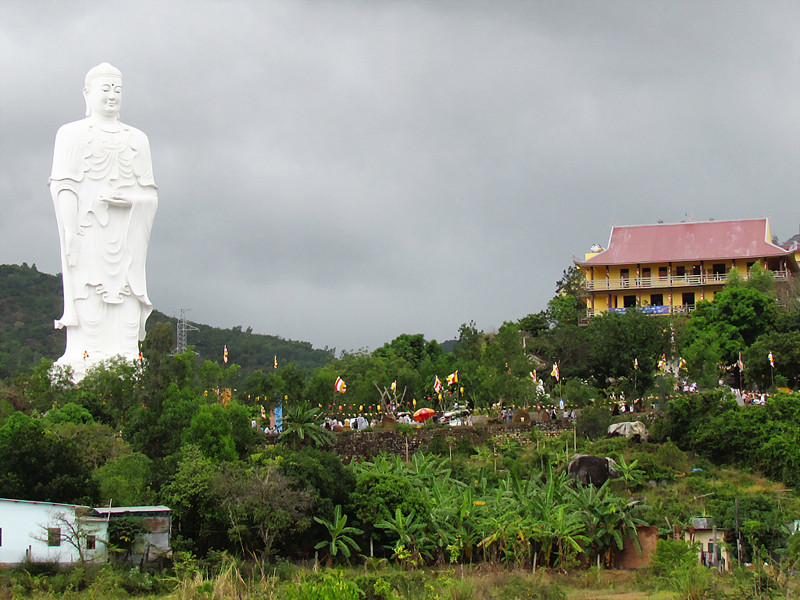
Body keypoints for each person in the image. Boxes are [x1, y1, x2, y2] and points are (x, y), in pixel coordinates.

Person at [50, 63, 158, 381]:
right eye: (105, 89)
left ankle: (125, 357)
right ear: (87, 94)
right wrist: (70, 232)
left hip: (126, 235)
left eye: (117, 90)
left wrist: (130, 201)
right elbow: (64, 186)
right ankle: (85, 355)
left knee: (126, 298)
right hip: (88, 231)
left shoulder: (137, 139)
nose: (112, 96)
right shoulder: (71, 134)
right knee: (89, 296)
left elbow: (150, 195)